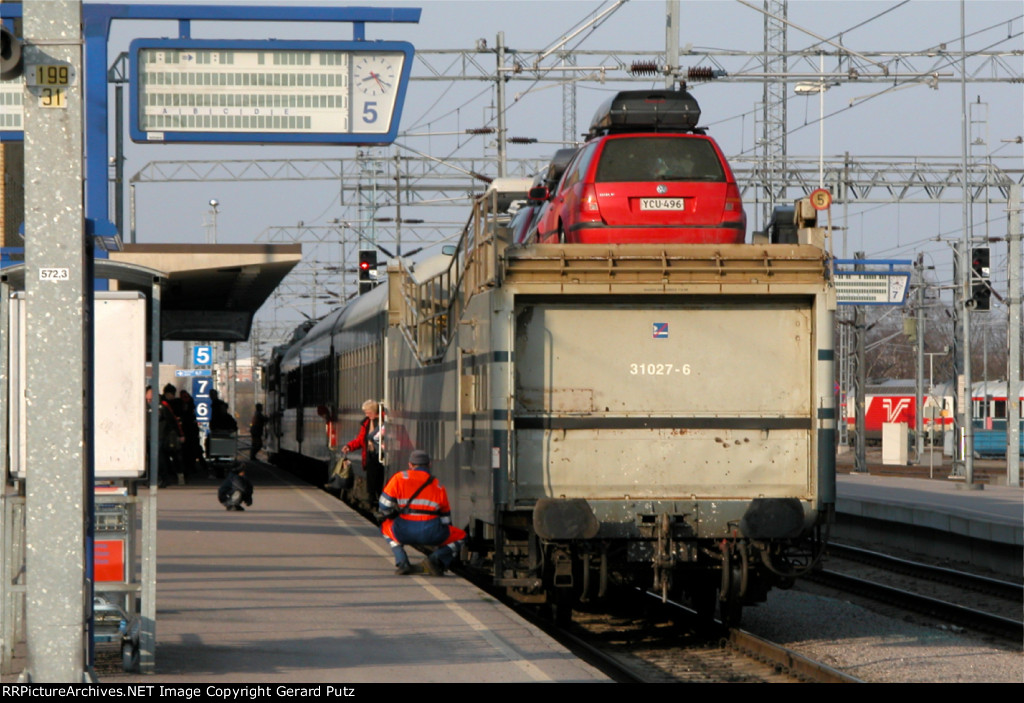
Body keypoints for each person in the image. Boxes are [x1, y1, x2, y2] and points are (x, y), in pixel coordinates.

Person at [378, 449, 466, 576]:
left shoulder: (399, 478)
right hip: (432, 533)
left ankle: (402, 562)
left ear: (410, 465)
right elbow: (446, 520)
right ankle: (434, 559)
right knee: (461, 536)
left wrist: (391, 514)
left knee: (385, 527)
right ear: (429, 465)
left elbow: (384, 506)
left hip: (403, 531)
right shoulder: (439, 486)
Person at [341, 400, 385, 504]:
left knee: (379, 478)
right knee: (372, 478)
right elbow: (361, 440)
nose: (366, 414)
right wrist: (349, 446)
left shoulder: (384, 420)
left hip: (382, 454)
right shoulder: (366, 422)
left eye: (368, 412)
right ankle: (373, 498)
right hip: (371, 455)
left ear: (374, 411)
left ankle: (378, 498)